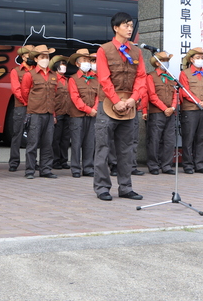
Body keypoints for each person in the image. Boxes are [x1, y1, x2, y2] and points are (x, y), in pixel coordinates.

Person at [93, 12, 147, 201]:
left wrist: (134, 98)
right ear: (115, 28)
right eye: (126, 25)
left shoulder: (136, 51)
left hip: (130, 105)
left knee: (127, 149)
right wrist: (116, 100)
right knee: (103, 147)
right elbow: (103, 78)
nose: (130, 29)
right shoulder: (104, 50)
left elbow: (141, 77)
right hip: (108, 104)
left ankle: (125, 187)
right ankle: (102, 188)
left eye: (131, 26)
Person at [21, 44, 58, 179]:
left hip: (49, 113)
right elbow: (25, 93)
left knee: (48, 143)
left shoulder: (54, 75)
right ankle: (30, 170)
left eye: (47, 57)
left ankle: (46, 169)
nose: (45, 59)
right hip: (35, 113)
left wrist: (53, 114)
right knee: (32, 142)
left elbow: (54, 94)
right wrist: (32, 106)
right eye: (42, 57)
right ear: (36, 59)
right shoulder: (29, 75)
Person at [178, 47, 203, 175]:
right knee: (188, 137)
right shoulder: (185, 73)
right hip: (190, 109)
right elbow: (184, 91)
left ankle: (200, 164)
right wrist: (196, 101)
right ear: (191, 59)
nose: (200, 60)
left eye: (202, 58)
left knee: (201, 138)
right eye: (198, 58)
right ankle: (188, 165)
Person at [144, 51, 178, 175]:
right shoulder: (151, 76)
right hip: (157, 112)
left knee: (169, 139)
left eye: (166, 60)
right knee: (154, 139)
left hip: (171, 112)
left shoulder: (171, 76)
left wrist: (173, 107)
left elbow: (176, 94)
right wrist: (164, 108)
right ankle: (153, 165)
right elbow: (152, 95)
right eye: (163, 60)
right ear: (157, 63)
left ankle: (167, 165)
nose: (165, 63)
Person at [67, 49, 98, 178]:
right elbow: (75, 98)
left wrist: (94, 109)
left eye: (88, 60)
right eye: (84, 60)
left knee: (90, 142)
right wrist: (88, 110)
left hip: (92, 114)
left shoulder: (96, 78)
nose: (87, 63)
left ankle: (88, 167)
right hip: (77, 115)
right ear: (78, 64)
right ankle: (75, 168)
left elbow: (98, 95)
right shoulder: (73, 79)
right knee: (76, 142)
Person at [8, 45, 34, 172]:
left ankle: (32, 162)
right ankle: (14, 162)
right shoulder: (16, 71)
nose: (32, 57)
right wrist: (26, 102)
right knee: (17, 134)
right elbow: (16, 90)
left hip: (35, 107)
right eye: (29, 54)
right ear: (23, 56)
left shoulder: (36, 70)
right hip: (21, 106)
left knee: (33, 136)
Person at [51, 55, 72, 170]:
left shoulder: (67, 80)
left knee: (65, 139)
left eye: (64, 65)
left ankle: (64, 160)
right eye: (61, 65)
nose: (63, 67)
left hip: (67, 112)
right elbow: (51, 98)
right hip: (57, 113)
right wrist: (53, 114)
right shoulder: (53, 79)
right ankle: (55, 160)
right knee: (56, 138)